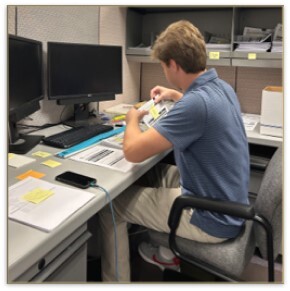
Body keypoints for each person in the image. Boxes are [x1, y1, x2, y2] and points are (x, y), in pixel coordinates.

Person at [99, 20, 249, 282]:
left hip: (210, 217)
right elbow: (200, 108)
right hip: (227, 200)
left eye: (163, 65)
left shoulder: (195, 106)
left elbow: (133, 152)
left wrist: (132, 117)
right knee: (155, 174)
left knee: (112, 206)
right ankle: (166, 255)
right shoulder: (222, 88)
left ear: (174, 65)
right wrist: (176, 94)